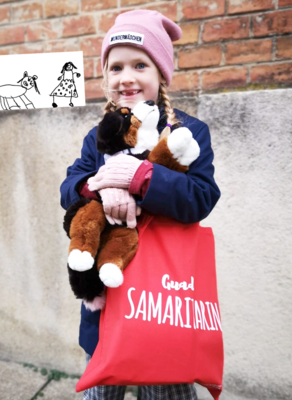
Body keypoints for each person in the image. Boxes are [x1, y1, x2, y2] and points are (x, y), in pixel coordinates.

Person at [60, 9, 220, 400]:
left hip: (164, 293)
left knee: (165, 384)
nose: (126, 76)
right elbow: (69, 187)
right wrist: (96, 186)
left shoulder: (187, 133)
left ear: (161, 73)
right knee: (102, 381)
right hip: (107, 287)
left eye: (139, 64)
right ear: (106, 78)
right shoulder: (97, 137)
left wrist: (140, 177)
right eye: (115, 68)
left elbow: (201, 196)